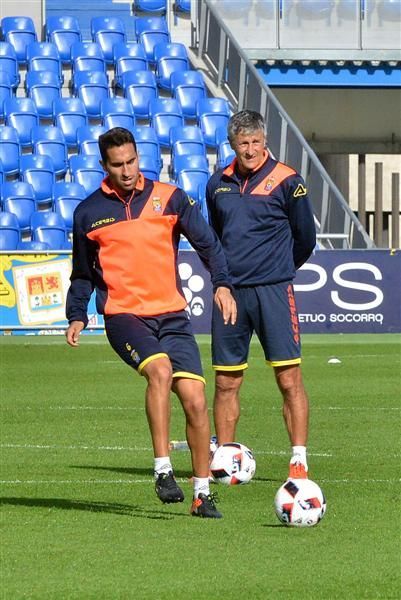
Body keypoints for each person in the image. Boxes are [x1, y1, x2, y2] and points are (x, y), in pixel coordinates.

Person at [65, 127, 236, 518]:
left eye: (131, 161)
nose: (126, 171)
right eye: (117, 164)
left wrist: (222, 284)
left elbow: (208, 243)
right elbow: (82, 273)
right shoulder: (88, 213)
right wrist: (77, 313)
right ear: (103, 165)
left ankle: (202, 494)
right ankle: (162, 470)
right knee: (159, 371)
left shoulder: (170, 198)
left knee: (195, 400)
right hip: (124, 316)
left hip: (172, 316)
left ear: (138, 157)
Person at [206, 110, 316, 480]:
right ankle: (224, 457)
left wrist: (278, 270)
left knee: (288, 379)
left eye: (255, 142)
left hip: (273, 291)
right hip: (231, 296)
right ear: (232, 145)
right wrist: (224, 280)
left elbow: (305, 239)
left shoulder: (288, 181)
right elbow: (216, 237)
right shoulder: (217, 183)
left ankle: (298, 457)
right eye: (242, 143)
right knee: (226, 381)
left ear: (264, 141)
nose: (250, 150)